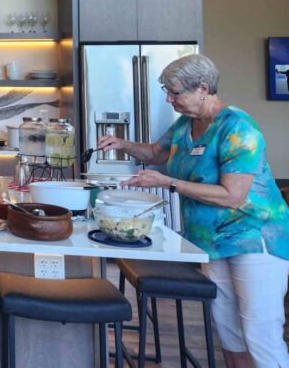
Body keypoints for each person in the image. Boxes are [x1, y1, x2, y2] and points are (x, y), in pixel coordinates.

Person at [98, 54, 289, 368]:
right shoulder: (187, 124)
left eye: (175, 92)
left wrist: (169, 183)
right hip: (211, 244)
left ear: (203, 88)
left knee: (260, 336)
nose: (169, 99)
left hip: (254, 241)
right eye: (167, 92)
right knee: (228, 334)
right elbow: (157, 153)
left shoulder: (238, 128)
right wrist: (122, 143)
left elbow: (232, 196)